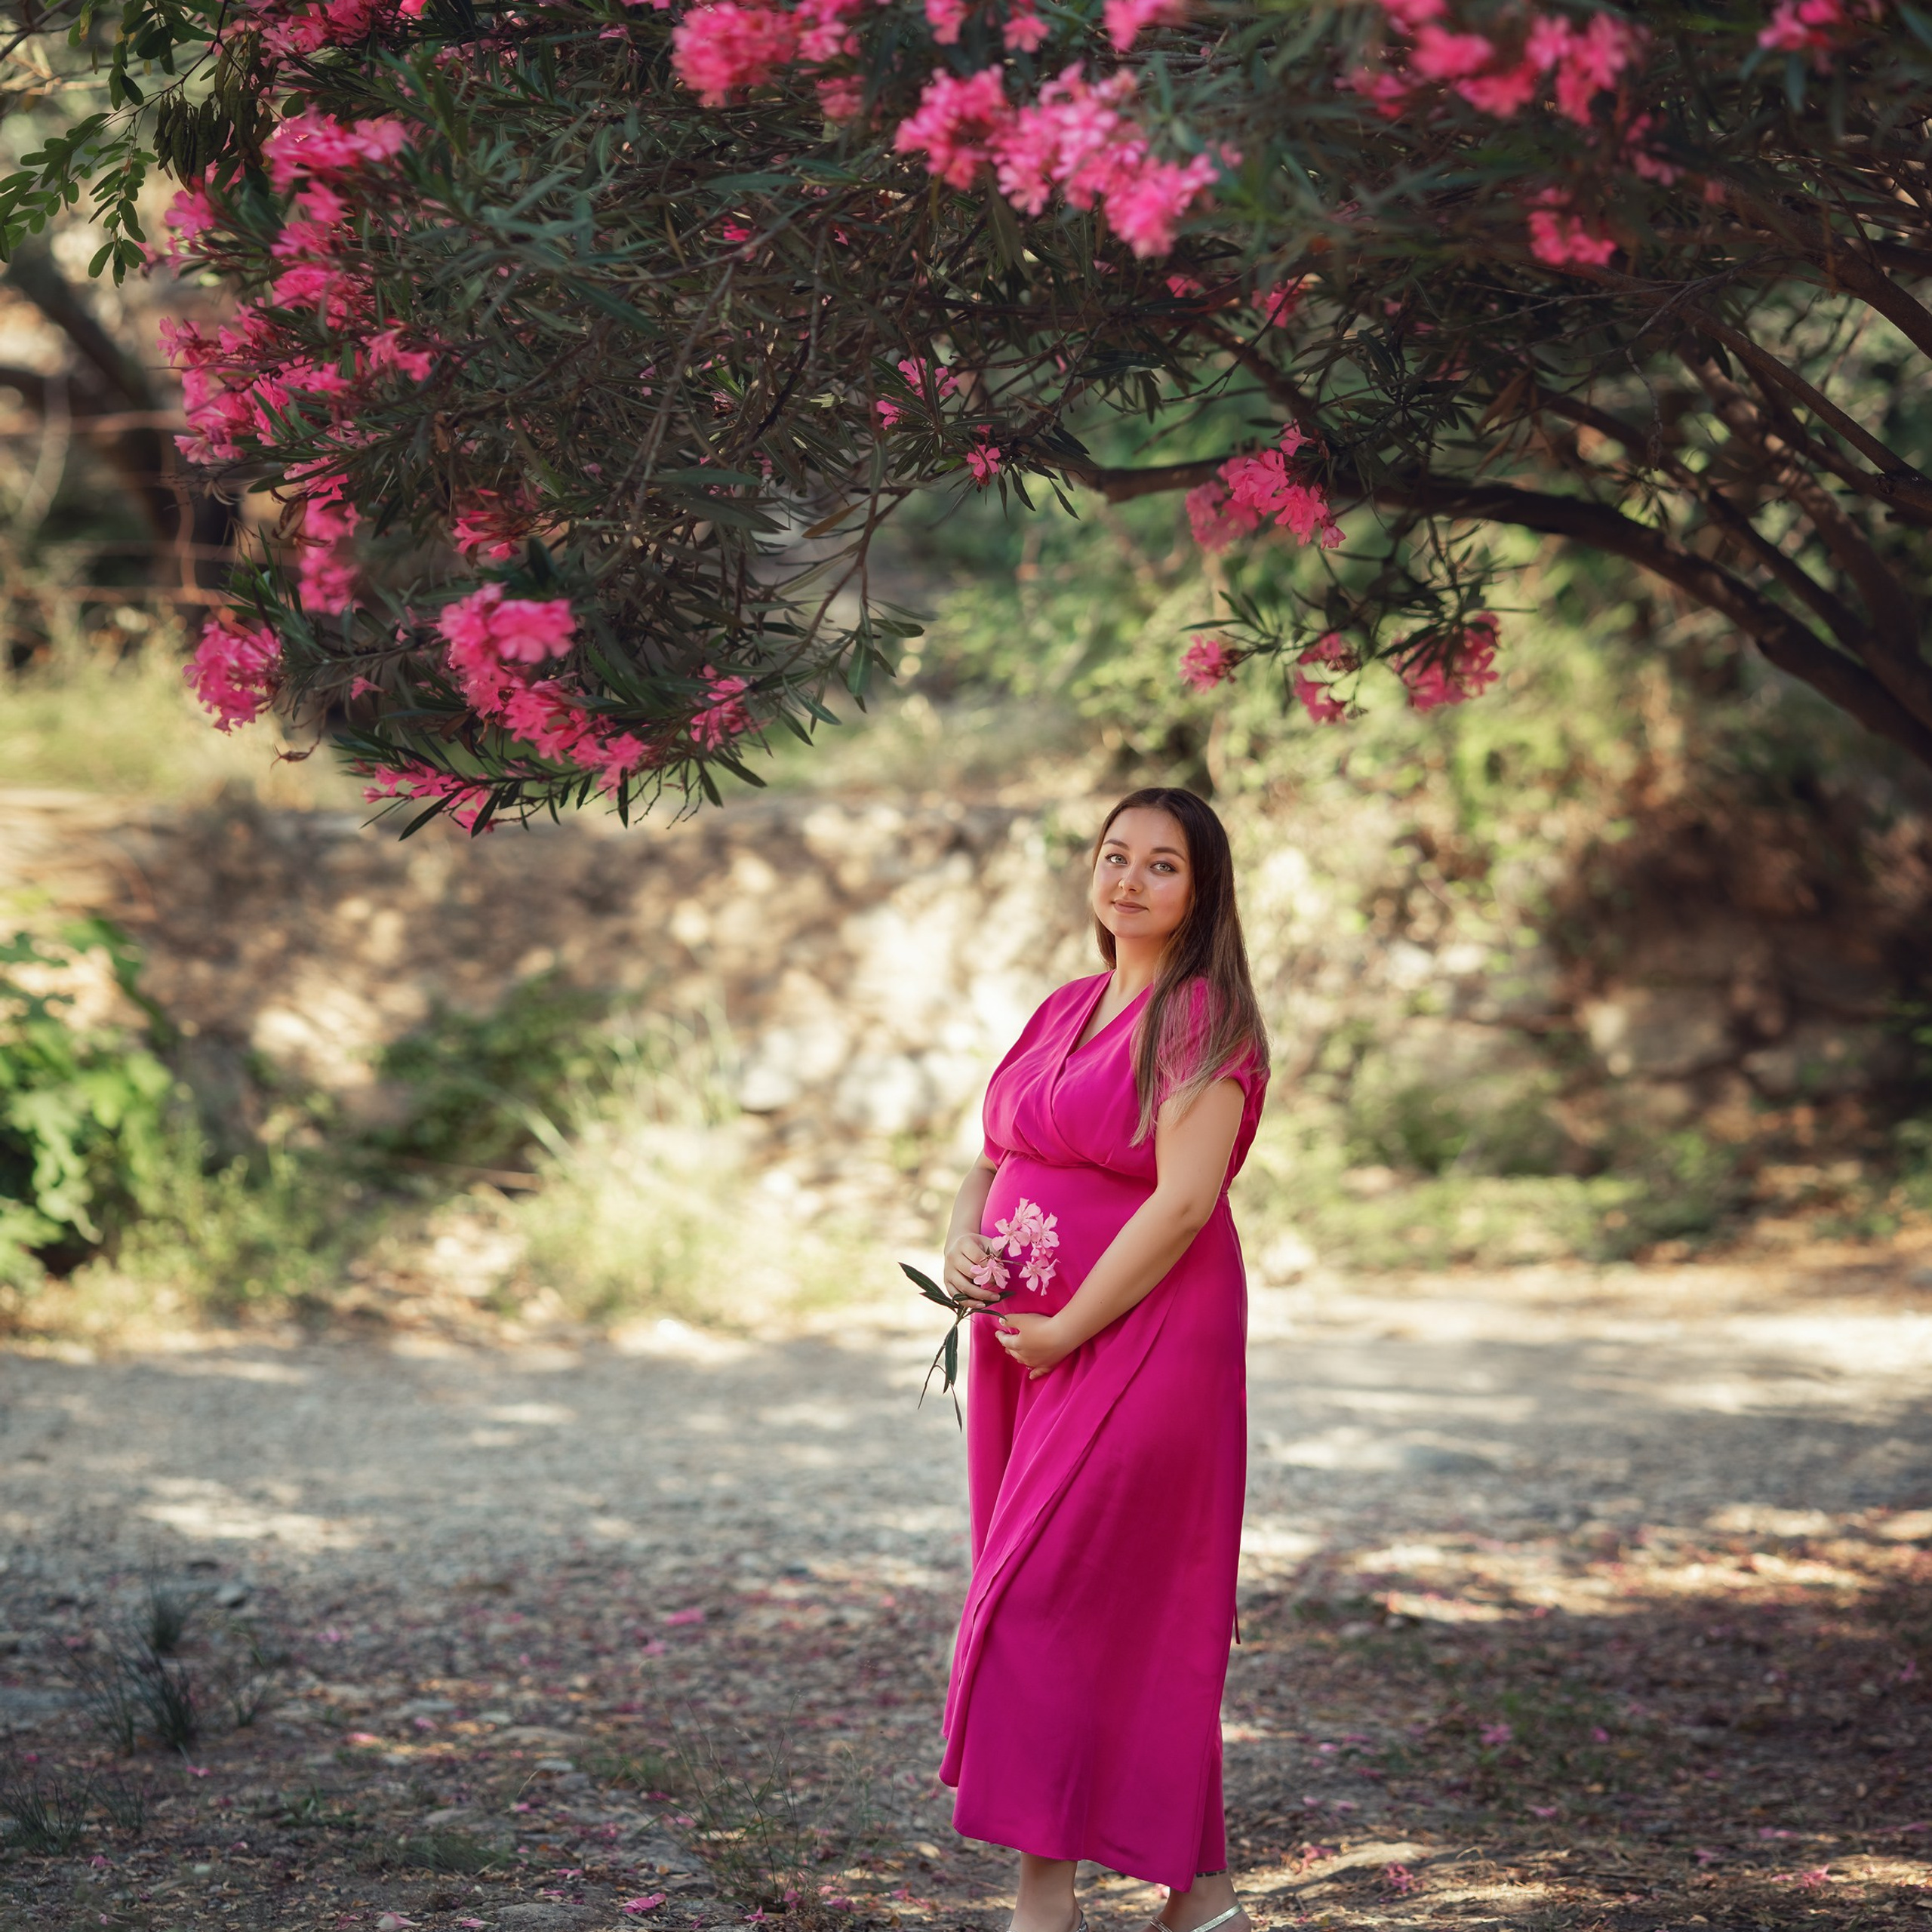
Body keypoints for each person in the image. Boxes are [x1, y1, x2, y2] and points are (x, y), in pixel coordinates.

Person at [937, 786, 1272, 1932]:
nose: (1129, 879)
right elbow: (991, 1156)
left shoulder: (1205, 1021)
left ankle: (1047, 1908)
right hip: (1027, 1346)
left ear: (1202, 891)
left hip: (1143, 1337)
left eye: (1162, 864)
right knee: (1104, 1604)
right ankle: (1205, 1903)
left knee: (1046, 1599)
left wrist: (1072, 1326)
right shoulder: (1064, 1007)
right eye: (1115, 855)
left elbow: (1183, 1204)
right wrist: (962, 1241)